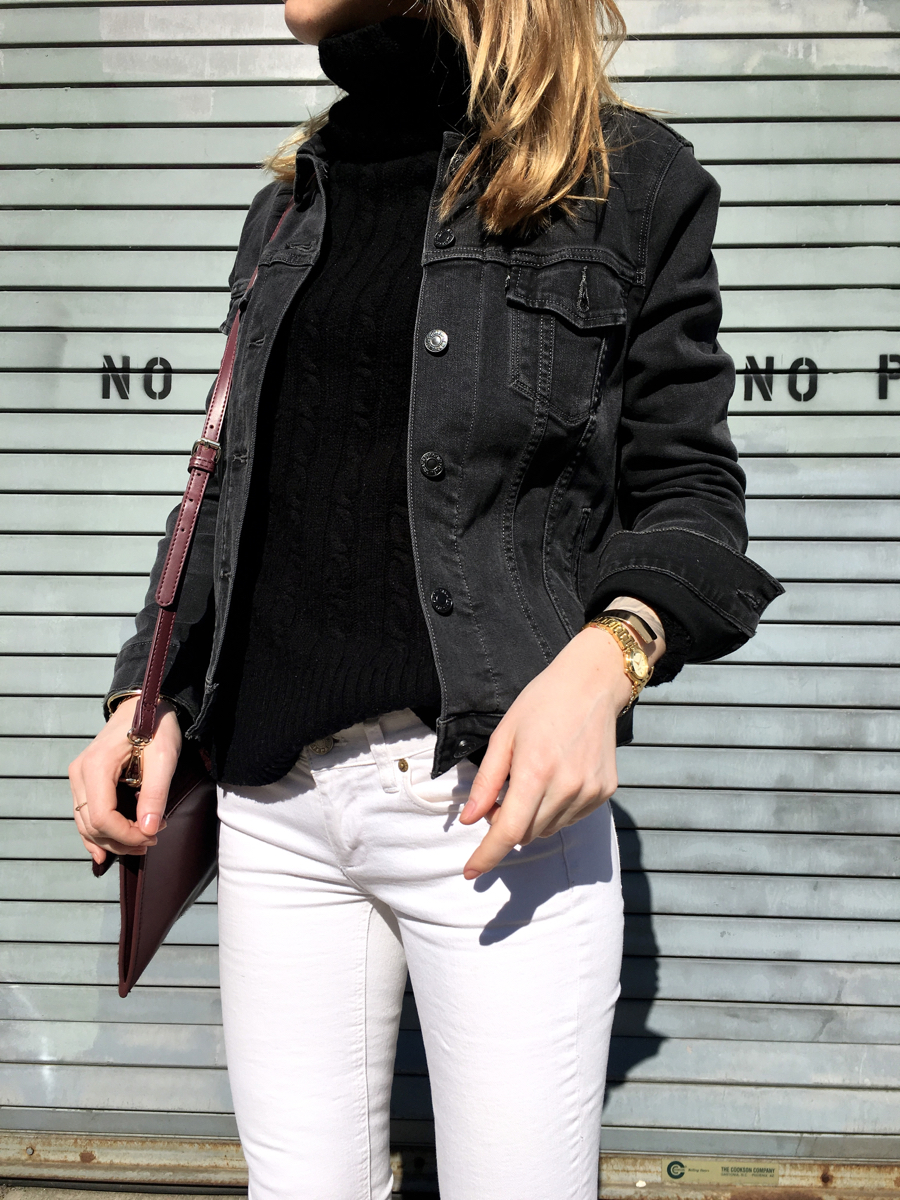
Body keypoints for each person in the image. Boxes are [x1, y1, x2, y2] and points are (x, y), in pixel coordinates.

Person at [68, 0, 783, 1196]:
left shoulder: (628, 179)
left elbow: (693, 493)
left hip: (487, 802)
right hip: (271, 807)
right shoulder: (293, 199)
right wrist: (145, 694)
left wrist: (609, 658)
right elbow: (231, 483)